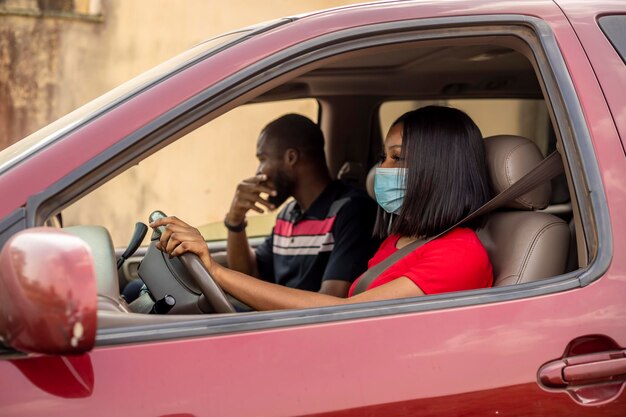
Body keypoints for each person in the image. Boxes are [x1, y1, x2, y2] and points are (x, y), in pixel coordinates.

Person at [151, 106, 494, 311]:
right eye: (383, 157)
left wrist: (217, 271)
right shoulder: (401, 241)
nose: (381, 171)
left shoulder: (458, 254)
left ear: (438, 170)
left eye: (397, 158)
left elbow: (342, 312)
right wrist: (234, 226)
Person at [223, 114, 379, 297]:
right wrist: (235, 220)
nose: (259, 171)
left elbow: (331, 301)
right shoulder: (288, 214)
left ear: (291, 158)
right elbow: (249, 276)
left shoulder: (353, 211)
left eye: (263, 159)